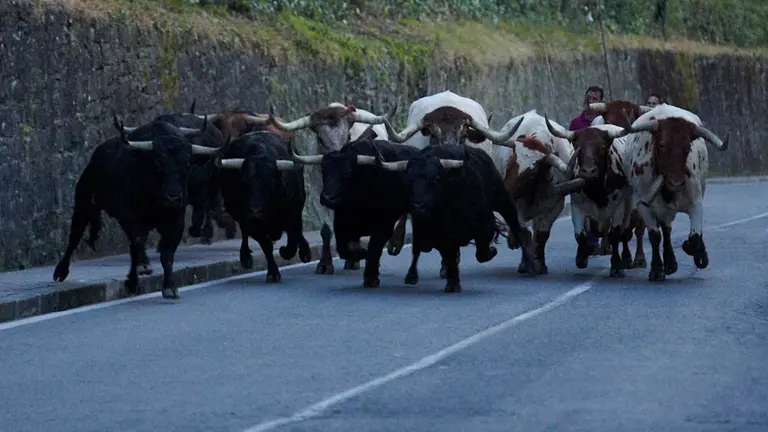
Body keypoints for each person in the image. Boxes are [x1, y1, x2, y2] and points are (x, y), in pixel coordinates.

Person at [569, 86, 604, 252]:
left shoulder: (605, 122)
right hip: (581, 169)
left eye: (595, 99)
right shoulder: (576, 122)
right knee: (579, 201)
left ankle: (598, 238)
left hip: (600, 170)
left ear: (601, 102)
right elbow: (571, 146)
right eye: (588, 98)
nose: (590, 102)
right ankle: (584, 239)